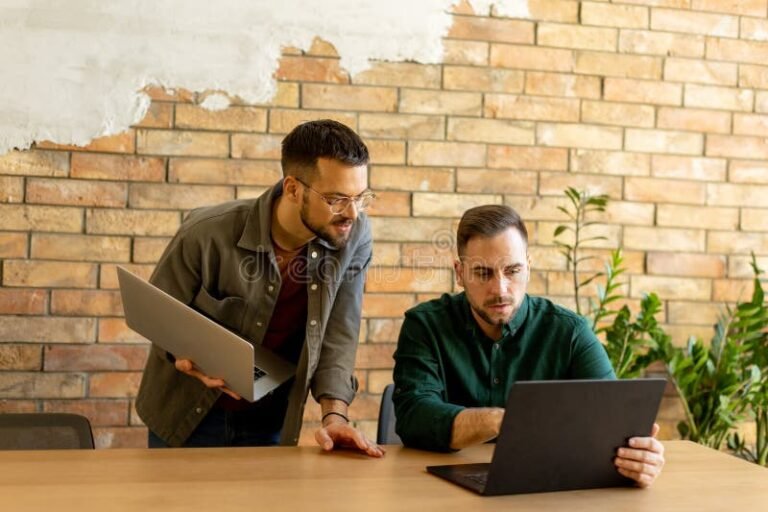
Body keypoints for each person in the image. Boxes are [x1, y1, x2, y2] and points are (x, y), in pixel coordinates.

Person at [135, 119, 383, 457]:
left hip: (271, 418)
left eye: (360, 197)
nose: (351, 213)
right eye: (336, 199)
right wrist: (182, 356)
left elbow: (340, 333)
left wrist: (335, 415)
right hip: (186, 413)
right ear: (293, 189)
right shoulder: (206, 233)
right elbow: (156, 312)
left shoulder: (354, 235)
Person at [392, 204, 664, 486]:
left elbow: (612, 423)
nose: (500, 289)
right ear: (460, 273)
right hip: (440, 492)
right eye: (483, 273)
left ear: (528, 267)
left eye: (512, 271)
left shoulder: (570, 332)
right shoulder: (425, 325)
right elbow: (414, 416)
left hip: (547, 490)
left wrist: (639, 460)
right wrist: (501, 421)